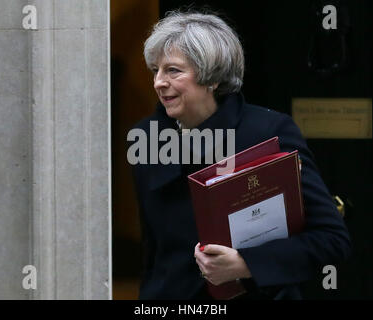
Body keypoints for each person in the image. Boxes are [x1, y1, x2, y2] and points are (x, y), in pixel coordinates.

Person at [129, 10, 351, 300]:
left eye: (173, 70)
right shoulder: (147, 137)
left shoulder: (269, 131)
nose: (159, 81)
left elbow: (331, 240)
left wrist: (247, 264)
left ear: (212, 76)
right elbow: (153, 253)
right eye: (155, 70)